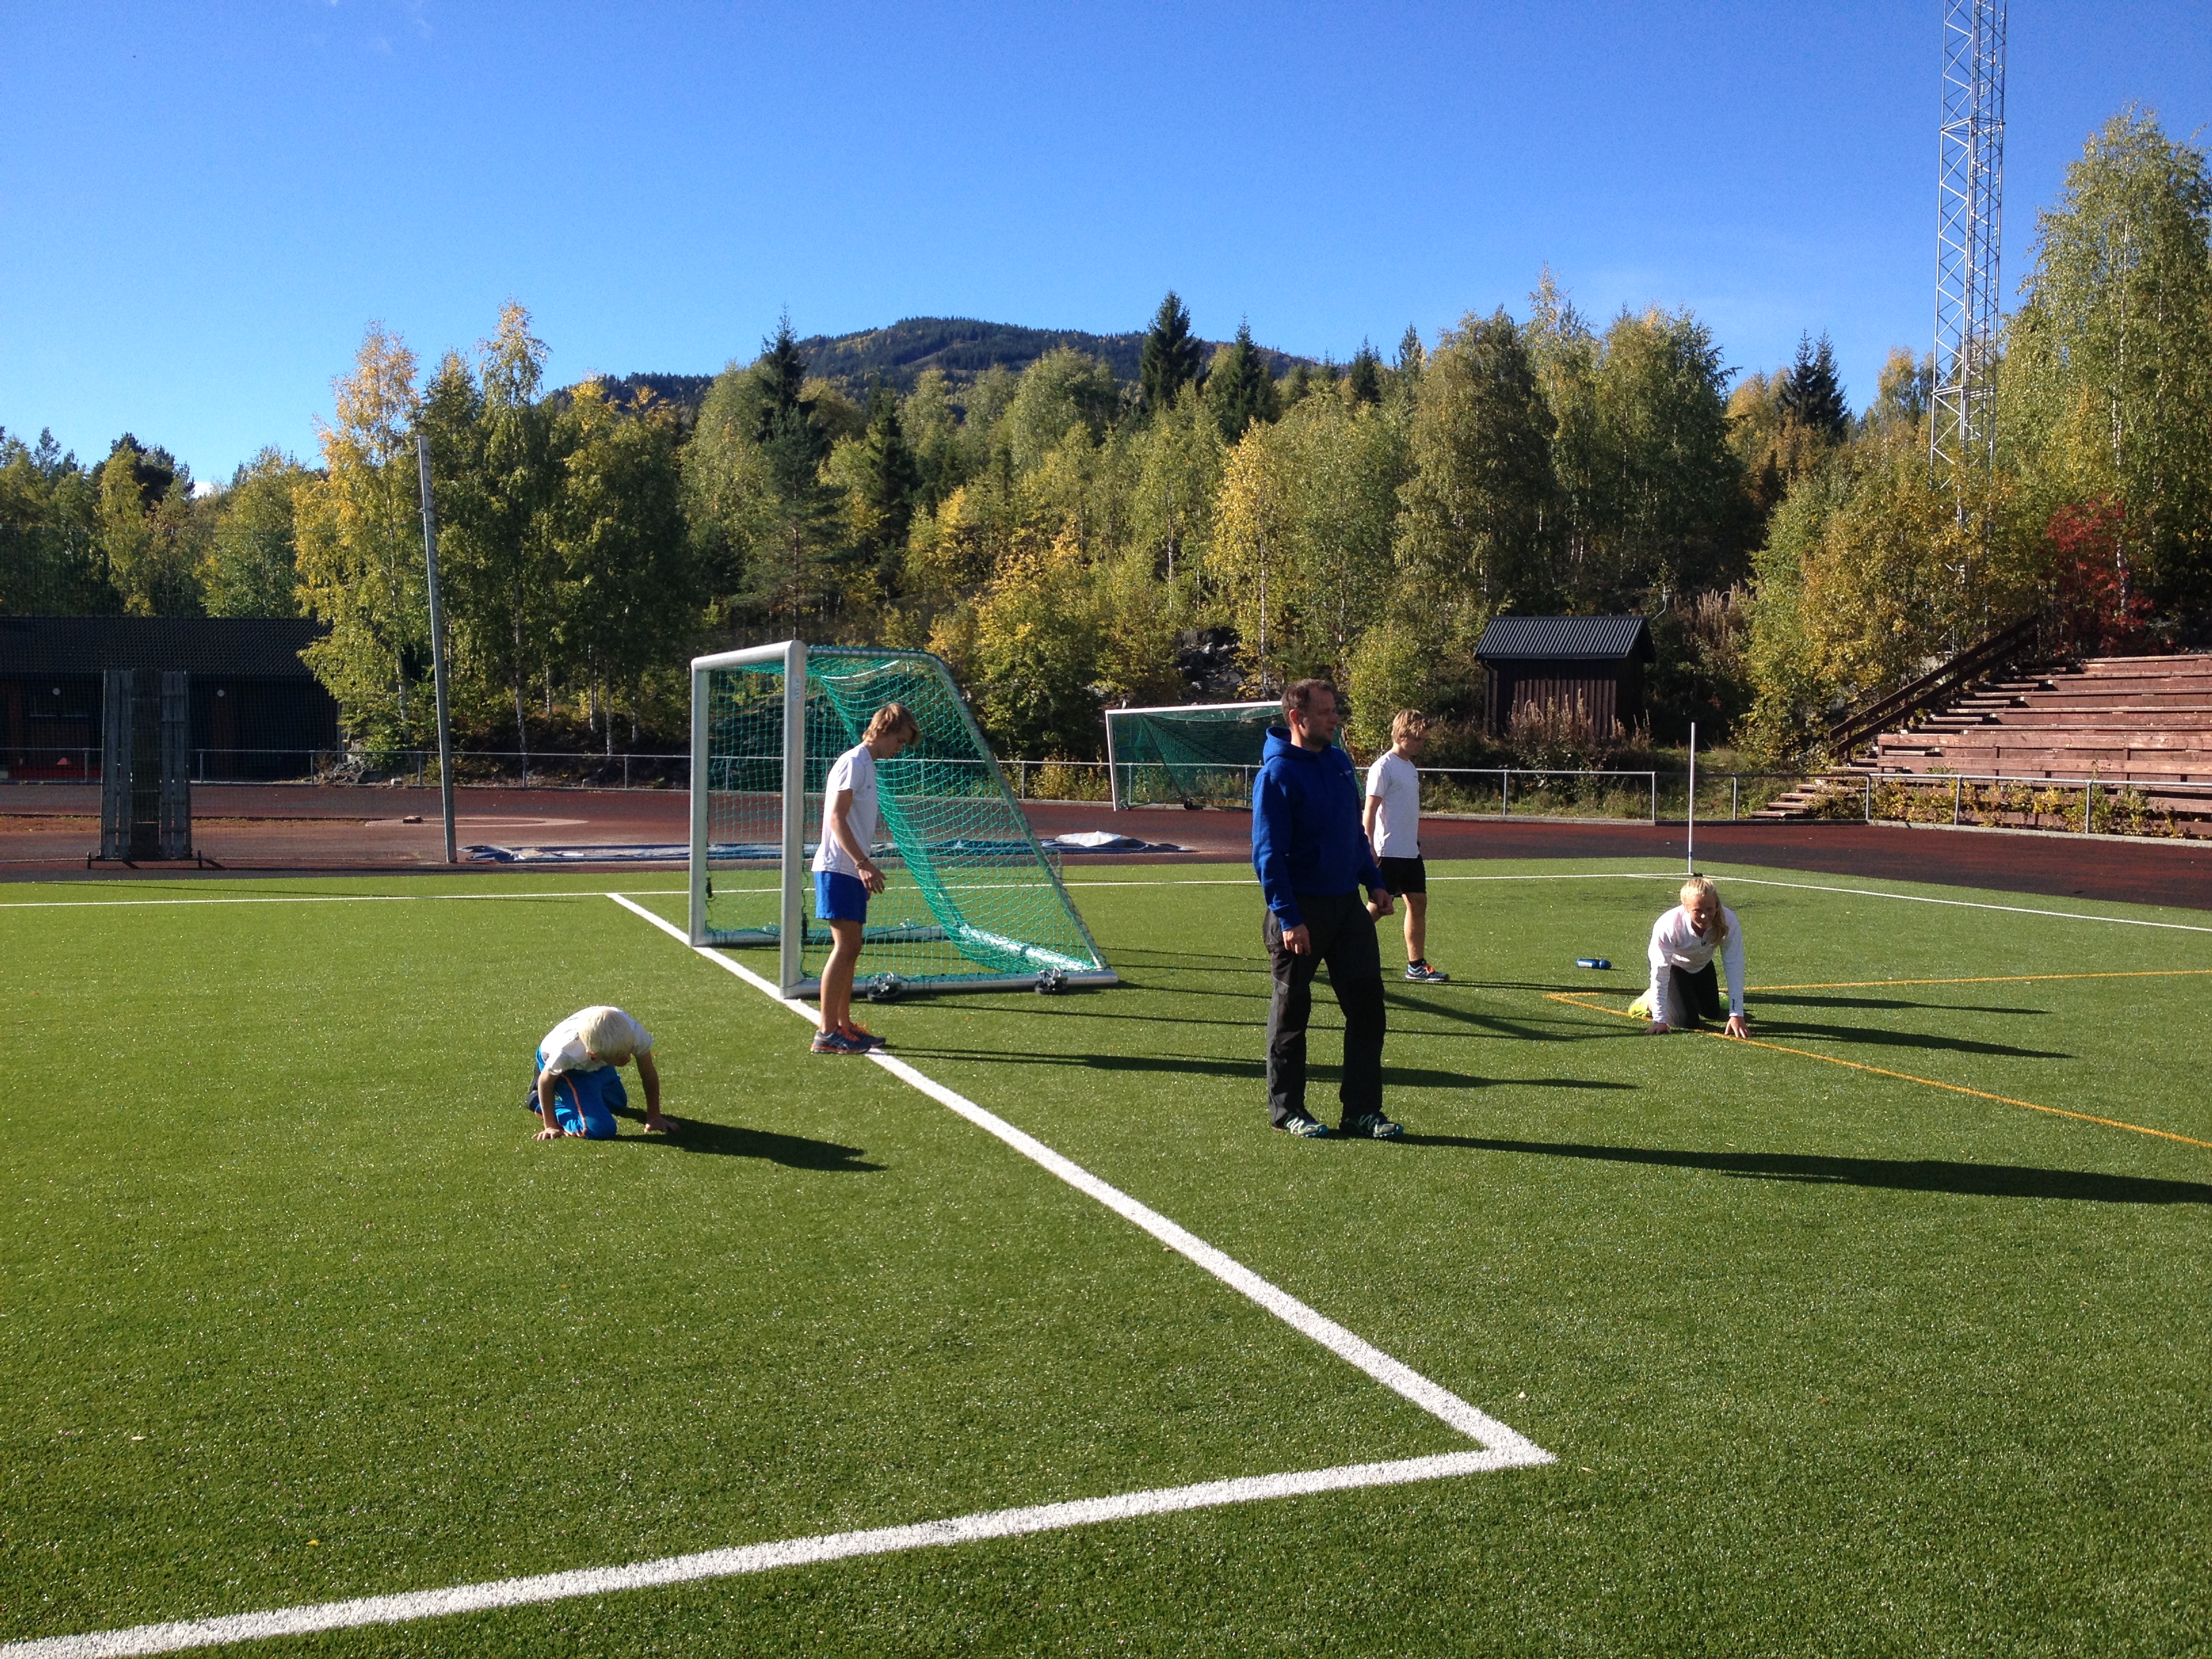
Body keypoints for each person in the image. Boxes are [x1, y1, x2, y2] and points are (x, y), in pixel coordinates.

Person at [1252, 679, 1403, 1139]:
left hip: (1346, 909)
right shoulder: (1275, 775)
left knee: (1368, 1011)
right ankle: (1287, 1111)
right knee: (1291, 1015)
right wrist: (1290, 917)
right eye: (1325, 712)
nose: (1335, 719)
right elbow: (1268, 856)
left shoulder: (1339, 763)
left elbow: (1353, 834)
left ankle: (1361, 1111)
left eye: (1335, 710)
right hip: (1299, 913)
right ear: (1298, 719)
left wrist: (1374, 882)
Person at [812, 702, 920, 1055]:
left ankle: (843, 1026)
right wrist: (862, 864)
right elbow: (836, 818)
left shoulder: (866, 764)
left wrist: (861, 866)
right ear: (885, 730)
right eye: (899, 741)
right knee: (845, 947)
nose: (900, 748)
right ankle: (827, 1032)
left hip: (849, 869)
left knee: (852, 947)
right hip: (838, 867)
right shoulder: (854, 762)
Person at [1364, 708, 1447, 983]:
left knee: (1418, 902)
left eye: (1423, 739)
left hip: (1410, 851)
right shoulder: (1383, 767)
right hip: (1388, 852)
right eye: (1417, 738)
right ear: (1401, 735)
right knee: (1377, 908)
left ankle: (1416, 965)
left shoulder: (1410, 768)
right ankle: (1336, 947)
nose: (1421, 744)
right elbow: (1370, 811)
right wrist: (1368, 845)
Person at [527, 1004, 668, 1141]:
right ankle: (536, 1101)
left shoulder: (634, 1033)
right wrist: (550, 1125)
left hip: (596, 1062)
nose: (627, 1059)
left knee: (617, 1103)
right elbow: (545, 1080)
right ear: (594, 1055)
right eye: (619, 1057)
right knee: (600, 1129)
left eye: (629, 1051)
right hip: (570, 1070)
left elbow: (648, 1073)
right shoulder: (566, 1054)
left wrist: (654, 1116)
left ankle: (589, 1089)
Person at [1643, 875, 1752, 1038]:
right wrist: (1659, 1019)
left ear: (1716, 905)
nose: (1704, 916)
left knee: (1712, 1012)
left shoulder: (1728, 920)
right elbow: (1660, 970)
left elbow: (1734, 964)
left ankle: (1688, 995)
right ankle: (1650, 1000)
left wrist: (1737, 1014)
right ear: (1686, 907)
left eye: (1709, 910)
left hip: (1702, 965)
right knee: (1687, 1021)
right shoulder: (1668, 925)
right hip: (1674, 967)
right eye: (1697, 911)